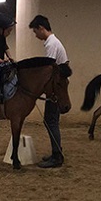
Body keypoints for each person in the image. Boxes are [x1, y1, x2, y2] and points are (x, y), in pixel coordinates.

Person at [29, 15, 69, 168]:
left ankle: (57, 156)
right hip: (57, 86)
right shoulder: (53, 42)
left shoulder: (51, 44)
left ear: (41, 28)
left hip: (56, 88)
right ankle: (56, 152)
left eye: (35, 32)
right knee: (50, 121)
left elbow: (48, 68)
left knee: (51, 121)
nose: (36, 35)